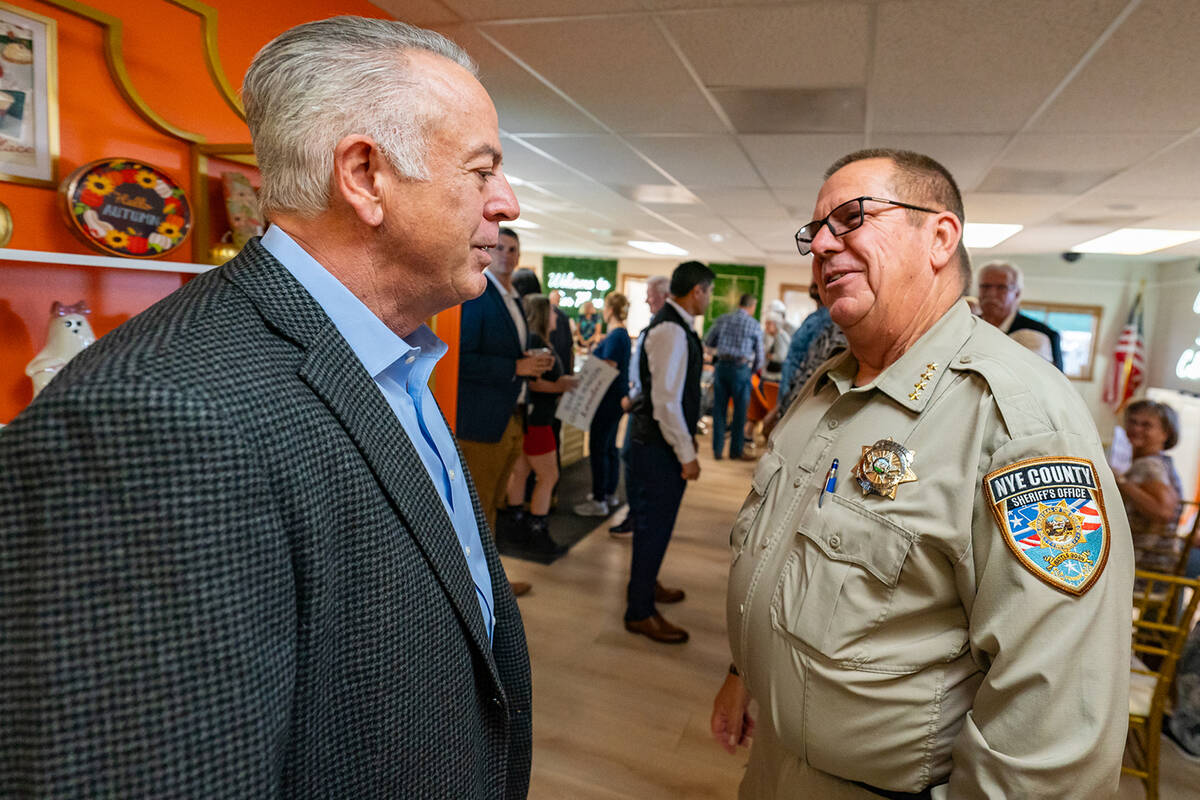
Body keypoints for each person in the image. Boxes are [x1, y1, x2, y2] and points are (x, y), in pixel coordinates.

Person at [0, 17, 532, 798]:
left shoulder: (396, 357)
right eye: (482, 171)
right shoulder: (158, 414)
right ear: (365, 175)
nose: (508, 203)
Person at [711, 148, 1133, 799]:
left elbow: (1054, 728)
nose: (821, 245)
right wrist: (746, 669)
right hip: (774, 763)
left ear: (939, 237)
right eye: (814, 231)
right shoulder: (828, 390)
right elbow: (778, 552)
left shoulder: (1019, 421)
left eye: (850, 218)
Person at [624, 261, 715, 643]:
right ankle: (639, 611)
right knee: (652, 528)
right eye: (708, 293)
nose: (708, 300)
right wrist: (686, 454)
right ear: (697, 291)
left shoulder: (674, 327)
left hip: (657, 445)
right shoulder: (670, 331)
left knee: (657, 528)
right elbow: (666, 402)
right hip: (655, 449)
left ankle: (647, 584)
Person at [457, 226, 554, 553]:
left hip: (513, 416)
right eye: (500, 247)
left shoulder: (514, 300)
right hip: (482, 420)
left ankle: (496, 587)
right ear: (487, 250)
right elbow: (461, 359)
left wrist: (527, 360)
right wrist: (515, 367)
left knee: (496, 503)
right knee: (479, 506)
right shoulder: (478, 295)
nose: (507, 255)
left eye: (513, 250)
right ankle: (476, 596)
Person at [504, 294, 576, 555]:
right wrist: (560, 385)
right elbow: (532, 383)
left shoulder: (537, 341)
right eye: (554, 312)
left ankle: (517, 525)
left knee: (521, 472)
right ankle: (537, 531)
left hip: (531, 417)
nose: (558, 316)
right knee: (549, 475)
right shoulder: (537, 342)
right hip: (537, 420)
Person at [610, 275, 669, 537]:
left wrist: (632, 397)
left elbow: (653, 376)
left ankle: (638, 516)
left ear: (663, 296)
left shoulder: (663, 329)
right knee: (629, 458)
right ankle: (637, 515)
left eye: (650, 294)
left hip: (643, 406)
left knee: (633, 460)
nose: (646, 299)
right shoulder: (655, 326)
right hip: (639, 403)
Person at [575, 292, 631, 517]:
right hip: (614, 398)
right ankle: (607, 492)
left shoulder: (617, 336)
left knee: (599, 448)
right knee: (608, 447)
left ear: (609, 309)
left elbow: (608, 365)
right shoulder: (620, 335)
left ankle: (600, 499)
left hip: (607, 399)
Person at [1115, 399, 1185, 572]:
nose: (1136, 429)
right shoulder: (1163, 463)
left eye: (1146, 425)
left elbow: (1163, 512)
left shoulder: (1148, 466)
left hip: (1145, 567)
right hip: (1157, 564)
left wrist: (1121, 482)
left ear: (1165, 433)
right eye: (1133, 422)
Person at [704, 292, 765, 461]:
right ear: (752, 307)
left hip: (722, 367)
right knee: (739, 413)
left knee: (719, 410)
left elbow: (709, 342)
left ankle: (717, 451)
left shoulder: (723, 319)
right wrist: (751, 372)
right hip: (741, 369)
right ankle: (735, 452)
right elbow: (760, 357)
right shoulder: (754, 325)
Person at [977, 260, 1064, 370]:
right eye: (985, 286)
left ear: (1017, 293)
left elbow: (1054, 381)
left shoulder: (1041, 333)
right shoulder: (964, 327)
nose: (991, 294)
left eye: (1001, 287)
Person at [762, 311, 791, 382]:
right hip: (774, 375)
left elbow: (781, 357)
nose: (766, 326)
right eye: (766, 323)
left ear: (776, 324)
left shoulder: (780, 336)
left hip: (775, 377)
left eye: (769, 323)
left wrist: (767, 356)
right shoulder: (777, 336)